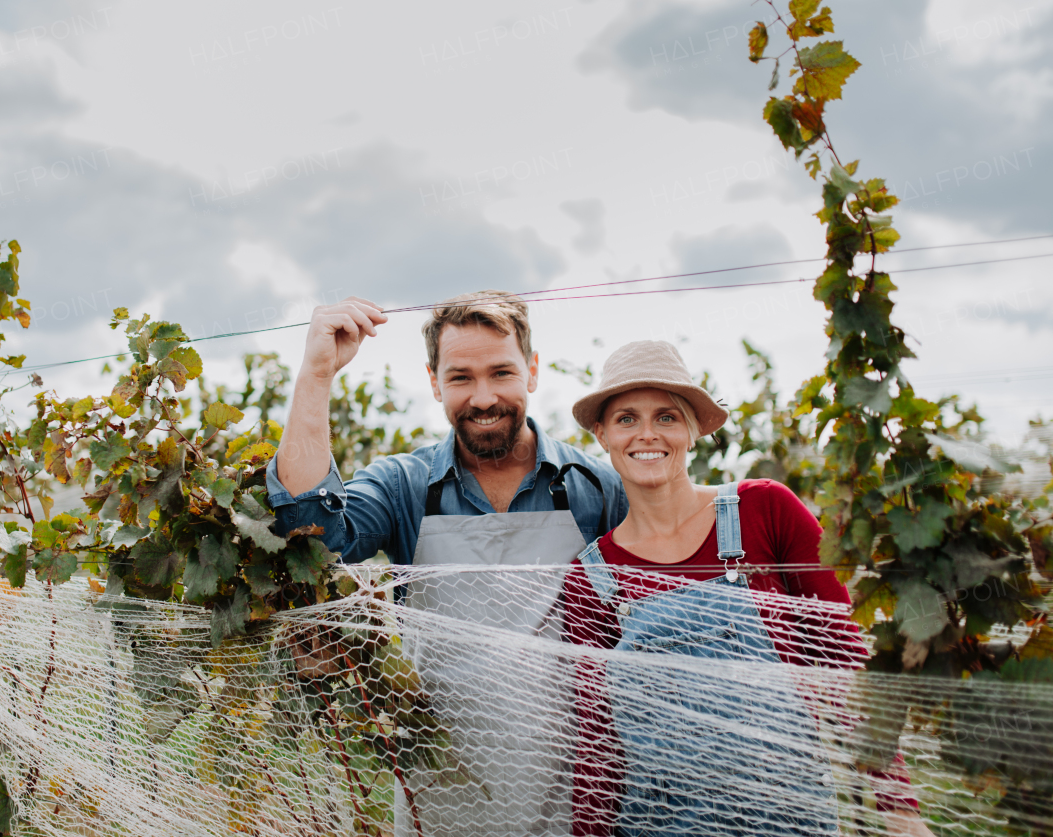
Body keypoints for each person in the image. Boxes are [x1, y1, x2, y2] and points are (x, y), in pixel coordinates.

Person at [268, 291, 628, 836]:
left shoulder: (594, 489)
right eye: (460, 378)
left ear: (532, 371)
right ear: (434, 382)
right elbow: (310, 534)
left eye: (501, 373)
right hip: (441, 800)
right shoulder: (405, 487)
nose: (483, 398)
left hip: (572, 803)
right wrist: (316, 375)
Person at [561, 340, 934, 837]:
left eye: (667, 417)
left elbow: (843, 658)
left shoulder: (765, 510)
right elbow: (598, 737)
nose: (647, 434)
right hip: (658, 824)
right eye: (627, 418)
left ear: (693, 430)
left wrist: (898, 804)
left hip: (787, 818)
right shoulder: (592, 577)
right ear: (601, 433)